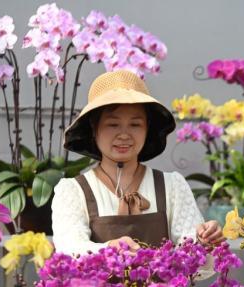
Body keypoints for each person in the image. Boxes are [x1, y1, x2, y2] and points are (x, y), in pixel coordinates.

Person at [51, 69, 224, 256]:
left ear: (147, 129)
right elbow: (70, 248)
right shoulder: (72, 191)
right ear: (94, 128)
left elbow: (192, 260)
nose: (124, 135)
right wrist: (109, 251)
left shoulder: (173, 186)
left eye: (135, 124)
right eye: (113, 124)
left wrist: (204, 242)